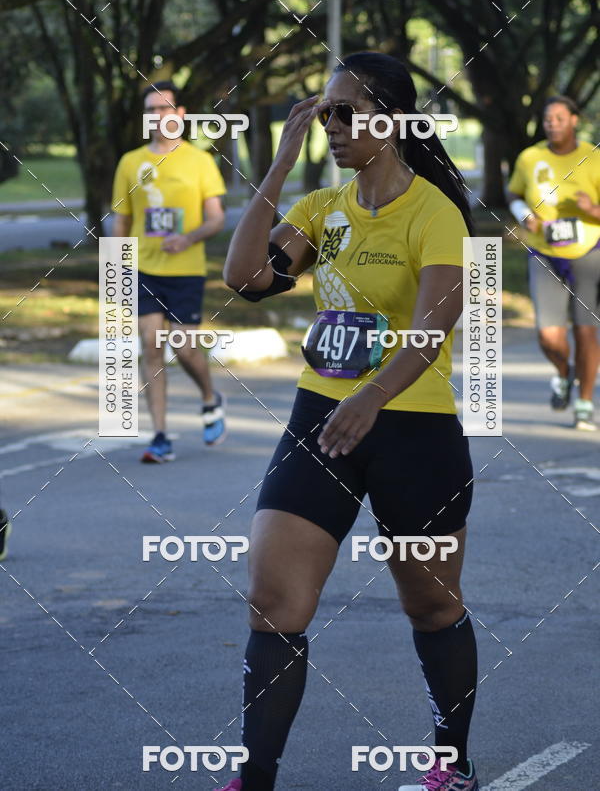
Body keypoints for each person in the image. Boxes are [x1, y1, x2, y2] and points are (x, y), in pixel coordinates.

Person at [220, 52, 479, 791]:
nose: (331, 125)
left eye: (346, 112)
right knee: (274, 602)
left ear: (389, 121)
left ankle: (452, 765)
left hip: (413, 426)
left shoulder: (434, 211)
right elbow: (245, 279)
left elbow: (432, 327)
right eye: (324, 113)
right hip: (319, 416)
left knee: (431, 604)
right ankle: (254, 779)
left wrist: (372, 396)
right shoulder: (321, 211)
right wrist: (277, 168)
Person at [111, 80, 227, 461]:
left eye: (164, 109)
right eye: (150, 110)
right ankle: (160, 434)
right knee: (150, 344)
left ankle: (210, 396)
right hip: (144, 267)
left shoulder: (200, 161)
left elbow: (216, 220)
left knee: (183, 346)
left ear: (180, 115)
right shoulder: (130, 163)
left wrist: (187, 238)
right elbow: (121, 223)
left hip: (186, 269)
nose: (157, 116)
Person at [507, 95, 600, 430]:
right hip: (544, 251)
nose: (553, 124)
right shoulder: (530, 157)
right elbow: (513, 194)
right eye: (548, 119)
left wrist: (592, 212)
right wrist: (522, 215)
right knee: (549, 336)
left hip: (589, 253)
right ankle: (564, 372)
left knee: (585, 331)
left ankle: (585, 403)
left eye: (560, 118)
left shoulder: (593, 157)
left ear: (575, 120)